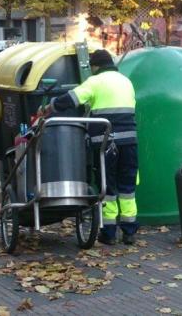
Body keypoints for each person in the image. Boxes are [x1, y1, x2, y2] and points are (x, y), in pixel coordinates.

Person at [48, 49, 138, 245]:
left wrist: (52, 105)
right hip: (130, 141)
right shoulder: (126, 81)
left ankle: (109, 234)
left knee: (108, 186)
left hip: (106, 142)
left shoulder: (95, 82)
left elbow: (72, 99)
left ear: (95, 66)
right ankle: (130, 232)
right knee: (127, 187)